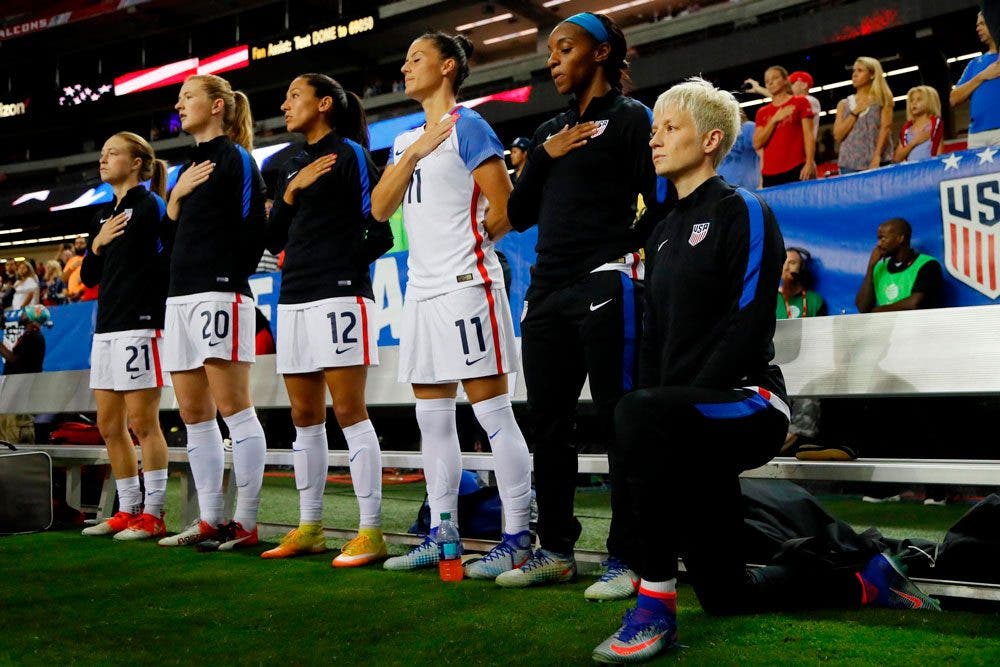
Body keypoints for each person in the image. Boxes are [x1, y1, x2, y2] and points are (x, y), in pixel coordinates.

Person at [591, 77, 939, 664]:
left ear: (711, 140)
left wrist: (666, 409)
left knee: (635, 411)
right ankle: (865, 579)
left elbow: (750, 323)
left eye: (669, 127)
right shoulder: (661, 229)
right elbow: (653, 337)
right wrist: (665, 407)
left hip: (747, 403)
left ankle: (653, 604)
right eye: (654, 128)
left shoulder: (743, 209)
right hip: (684, 416)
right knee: (729, 595)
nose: (655, 139)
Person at [498, 12, 673, 598]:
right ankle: (556, 549)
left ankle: (626, 556)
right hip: (546, 291)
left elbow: (660, 202)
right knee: (548, 426)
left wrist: (630, 260)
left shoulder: (632, 119)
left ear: (599, 55)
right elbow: (516, 215)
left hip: (605, 284)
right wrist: (543, 154)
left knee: (619, 422)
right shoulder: (550, 130)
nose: (552, 60)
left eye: (564, 48)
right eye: (551, 50)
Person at [370, 30, 533, 579]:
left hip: (467, 287)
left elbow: (507, 207)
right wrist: (415, 150)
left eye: (416, 58)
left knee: (492, 414)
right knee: (431, 418)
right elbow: (378, 208)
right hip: (421, 291)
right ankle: (443, 536)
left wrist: (476, 246)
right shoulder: (404, 141)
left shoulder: (471, 126)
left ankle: (517, 536)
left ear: (446, 67)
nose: (405, 67)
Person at [260, 73, 391, 566]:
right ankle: (310, 526)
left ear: (325, 103)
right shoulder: (288, 165)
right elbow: (273, 240)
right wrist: (291, 194)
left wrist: (342, 265)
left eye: (295, 95)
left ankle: (372, 531)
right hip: (293, 298)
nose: (286, 103)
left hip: (339, 296)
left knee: (349, 412)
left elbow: (378, 230)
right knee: (303, 417)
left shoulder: (352, 155)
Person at [155, 74, 268, 551]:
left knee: (233, 408)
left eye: (188, 97)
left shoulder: (237, 158)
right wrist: (176, 200)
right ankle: (210, 519)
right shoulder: (184, 169)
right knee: (193, 414)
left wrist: (225, 277)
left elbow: (253, 226)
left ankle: (245, 521)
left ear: (218, 106)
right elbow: (166, 242)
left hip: (219, 294)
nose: (179, 105)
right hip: (179, 297)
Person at [79, 132, 172, 540]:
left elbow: (164, 262)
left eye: (112, 152)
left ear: (136, 162)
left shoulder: (151, 206)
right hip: (107, 329)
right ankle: (128, 508)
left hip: (140, 324)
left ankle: (153, 513)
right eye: (102, 152)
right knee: (108, 423)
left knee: (142, 422)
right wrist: (96, 245)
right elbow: (87, 277)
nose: (104, 159)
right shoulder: (101, 215)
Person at [855, 217, 943, 314]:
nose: (878, 244)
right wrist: (871, 267)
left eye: (883, 238)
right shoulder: (879, 268)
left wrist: (878, 311)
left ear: (900, 238)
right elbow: (862, 309)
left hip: (918, 327)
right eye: (878, 239)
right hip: (887, 328)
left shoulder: (928, 265)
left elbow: (915, 303)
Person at [752, 66, 816, 186]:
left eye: (775, 78)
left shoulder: (800, 102)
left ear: (786, 80)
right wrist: (774, 120)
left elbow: (809, 135)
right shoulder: (762, 112)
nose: (770, 82)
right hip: (770, 174)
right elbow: (757, 143)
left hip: (797, 168)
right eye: (767, 81)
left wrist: (809, 163)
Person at [834, 57, 894, 174]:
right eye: (854, 71)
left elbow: (885, 128)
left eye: (860, 71)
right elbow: (838, 135)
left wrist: (877, 156)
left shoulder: (883, 99)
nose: (855, 74)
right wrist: (855, 112)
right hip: (849, 164)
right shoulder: (843, 104)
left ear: (872, 75)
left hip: (879, 162)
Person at [0, 305, 50, 444]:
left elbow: (15, 360)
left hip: (18, 392)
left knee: (11, 431)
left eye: (25, 313)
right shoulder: (33, 335)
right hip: (21, 391)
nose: (22, 315)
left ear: (32, 317)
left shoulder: (32, 337)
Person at [950, 12, 1000, 148]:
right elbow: (953, 98)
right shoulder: (974, 64)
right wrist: (982, 76)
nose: (977, 28)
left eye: (982, 24)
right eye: (977, 25)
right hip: (976, 136)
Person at [894, 86, 944, 163]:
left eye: (919, 99)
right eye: (912, 100)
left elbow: (939, 152)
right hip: (911, 171)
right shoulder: (906, 130)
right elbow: (897, 158)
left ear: (930, 101)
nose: (914, 103)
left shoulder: (935, 125)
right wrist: (914, 142)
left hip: (929, 170)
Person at [718, 109, 760, 190]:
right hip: (722, 188)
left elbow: (762, 154)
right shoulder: (718, 134)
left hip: (746, 188)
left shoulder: (749, 127)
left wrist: (761, 183)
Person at [789, 71, 821, 140]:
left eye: (792, 83)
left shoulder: (811, 100)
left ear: (804, 85)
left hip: (805, 146)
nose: (789, 86)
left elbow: (782, 100)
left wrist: (760, 89)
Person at [62, 236, 89, 302]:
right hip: (71, 298)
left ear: (86, 245)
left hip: (84, 296)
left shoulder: (89, 259)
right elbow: (63, 279)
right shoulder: (71, 260)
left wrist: (81, 291)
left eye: (81, 243)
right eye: (76, 243)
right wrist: (71, 268)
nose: (79, 245)